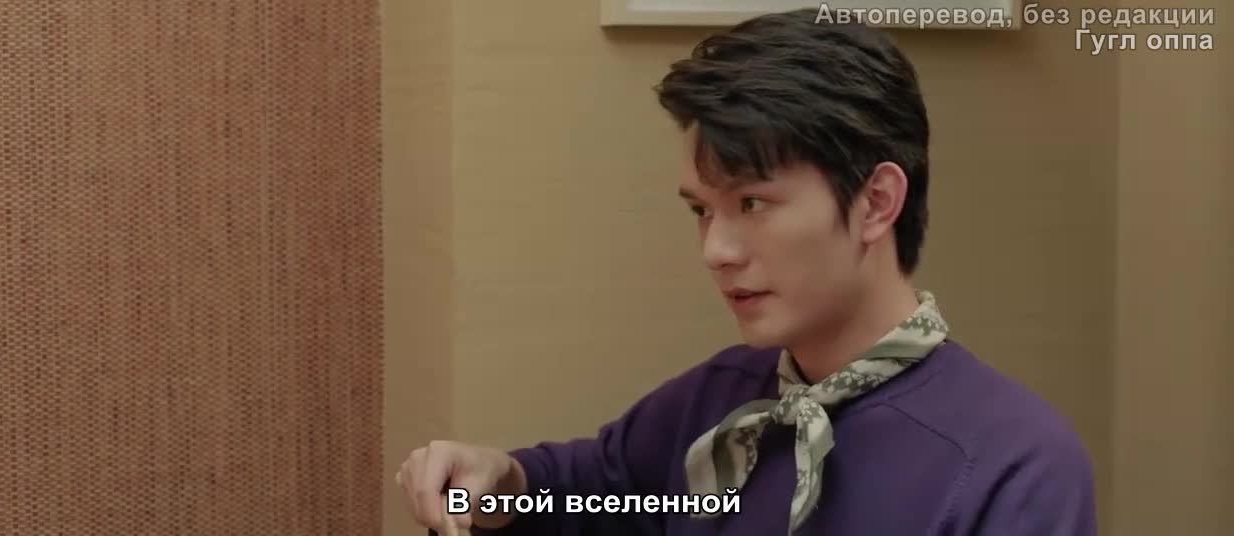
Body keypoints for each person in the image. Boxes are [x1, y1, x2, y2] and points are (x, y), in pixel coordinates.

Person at [396, 9, 1097, 536]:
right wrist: (487, 485)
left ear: (877, 201)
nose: (717, 250)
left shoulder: (1010, 463)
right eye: (701, 210)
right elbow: (583, 495)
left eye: (752, 203)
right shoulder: (714, 402)